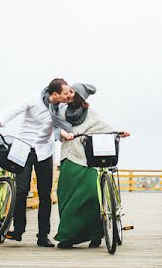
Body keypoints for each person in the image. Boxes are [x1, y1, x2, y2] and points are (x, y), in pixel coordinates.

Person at [0, 77, 74, 247]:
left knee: (45, 194)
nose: (68, 95)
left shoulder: (61, 107)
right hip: (23, 148)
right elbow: (11, 111)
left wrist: (64, 131)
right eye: (65, 92)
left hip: (44, 152)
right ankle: (18, 230)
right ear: (55, 94)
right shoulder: (33, 99)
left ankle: (43, 235)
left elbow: (72, 111)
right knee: (22, 190)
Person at [54, 83, 130, 249]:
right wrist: (63, 134)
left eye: (71, 91)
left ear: (79, 95)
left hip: (85, 158)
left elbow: (104, 126)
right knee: (65, 196)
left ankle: (96, 234)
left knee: (92, 195)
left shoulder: (91, 113)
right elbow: (55, 127)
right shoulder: (61, 111)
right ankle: (68, 236)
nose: (67, 94)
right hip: (68, 156)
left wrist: (119, 131)